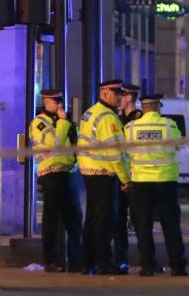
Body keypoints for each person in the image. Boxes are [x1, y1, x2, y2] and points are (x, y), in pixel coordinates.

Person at [124, 94, 188, 276]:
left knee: (143, 225)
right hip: (165, 181)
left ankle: (147, 265)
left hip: (141, 183)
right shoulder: (169, 125)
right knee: (171, 224)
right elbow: (177, 146)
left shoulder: (130, 127)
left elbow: (126, 151)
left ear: (143, 108)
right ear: (158, 106)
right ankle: (177, 266)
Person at [77, 79, 130, 275]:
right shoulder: (108, 118)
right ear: (105, 92)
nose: (120, 98)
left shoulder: (90, 113)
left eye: (121, 94)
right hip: (103, 173)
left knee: (91, 220)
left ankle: (88, 262)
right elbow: (115, 153)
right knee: (103, 221)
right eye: (117, 94)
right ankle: (104, 263)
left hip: (89, 172)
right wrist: (126, 179)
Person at [28, 89, 83, 272]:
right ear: (46, 102)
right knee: (51, 221)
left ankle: (75, 260)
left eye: (60, 101)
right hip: (50, 175)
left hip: (67, 173)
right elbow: (55, 143)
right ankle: (50, 261)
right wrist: (63, 122)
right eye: (55, 101)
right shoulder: (39, 123)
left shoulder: (61, 122)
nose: (59, 105)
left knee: (74, 219)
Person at [110, 82, 143, 275]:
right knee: (119, 220)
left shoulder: (138, 119)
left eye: (121, 96)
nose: (118, 100)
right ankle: (120, 260)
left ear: (129, 97)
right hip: (122, 177)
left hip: (136, 176)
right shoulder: (117, 118)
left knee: (140, 220)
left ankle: (147, 258)